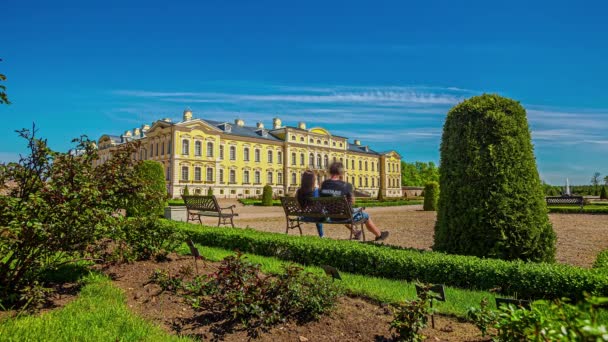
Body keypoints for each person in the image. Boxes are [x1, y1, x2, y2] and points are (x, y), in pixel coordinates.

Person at [320, 161, 389, 242]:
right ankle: (379, 235)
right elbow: (352, 201)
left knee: (343, 212)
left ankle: (356, 232)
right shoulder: (346, 185)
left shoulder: (324, 184)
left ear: (330, 171)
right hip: (344, 216)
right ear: (341, 172)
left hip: (330, 216)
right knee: (365, 215)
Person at [296, 170, 324, 237]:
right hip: (316, 217)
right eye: (316, 179)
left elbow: (299, 206)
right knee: (318, 213)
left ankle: (322, 236)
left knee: (316, 213)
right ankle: (321, 236)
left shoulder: (299, 191)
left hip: (304, 217)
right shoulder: (316, 191)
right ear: (313, 180)